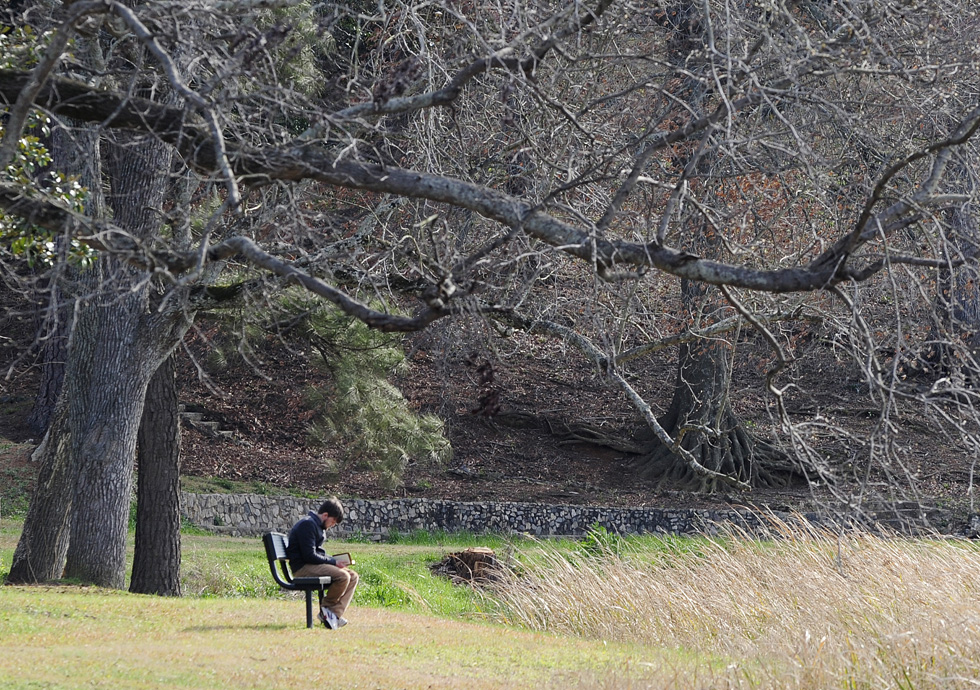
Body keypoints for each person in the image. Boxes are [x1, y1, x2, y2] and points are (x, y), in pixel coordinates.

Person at [285, 497, 359, 630]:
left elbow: (316, 554)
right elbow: (309, 556)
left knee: (353, 576)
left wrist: (335, 561)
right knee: (343, 576)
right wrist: (333, 562)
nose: (332, 525)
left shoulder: (316, 526)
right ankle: (326, 609)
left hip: (311, 565)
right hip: (302, 568)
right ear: (325, 515)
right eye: (333, 521)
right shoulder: (307, 525)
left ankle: (334, 614)